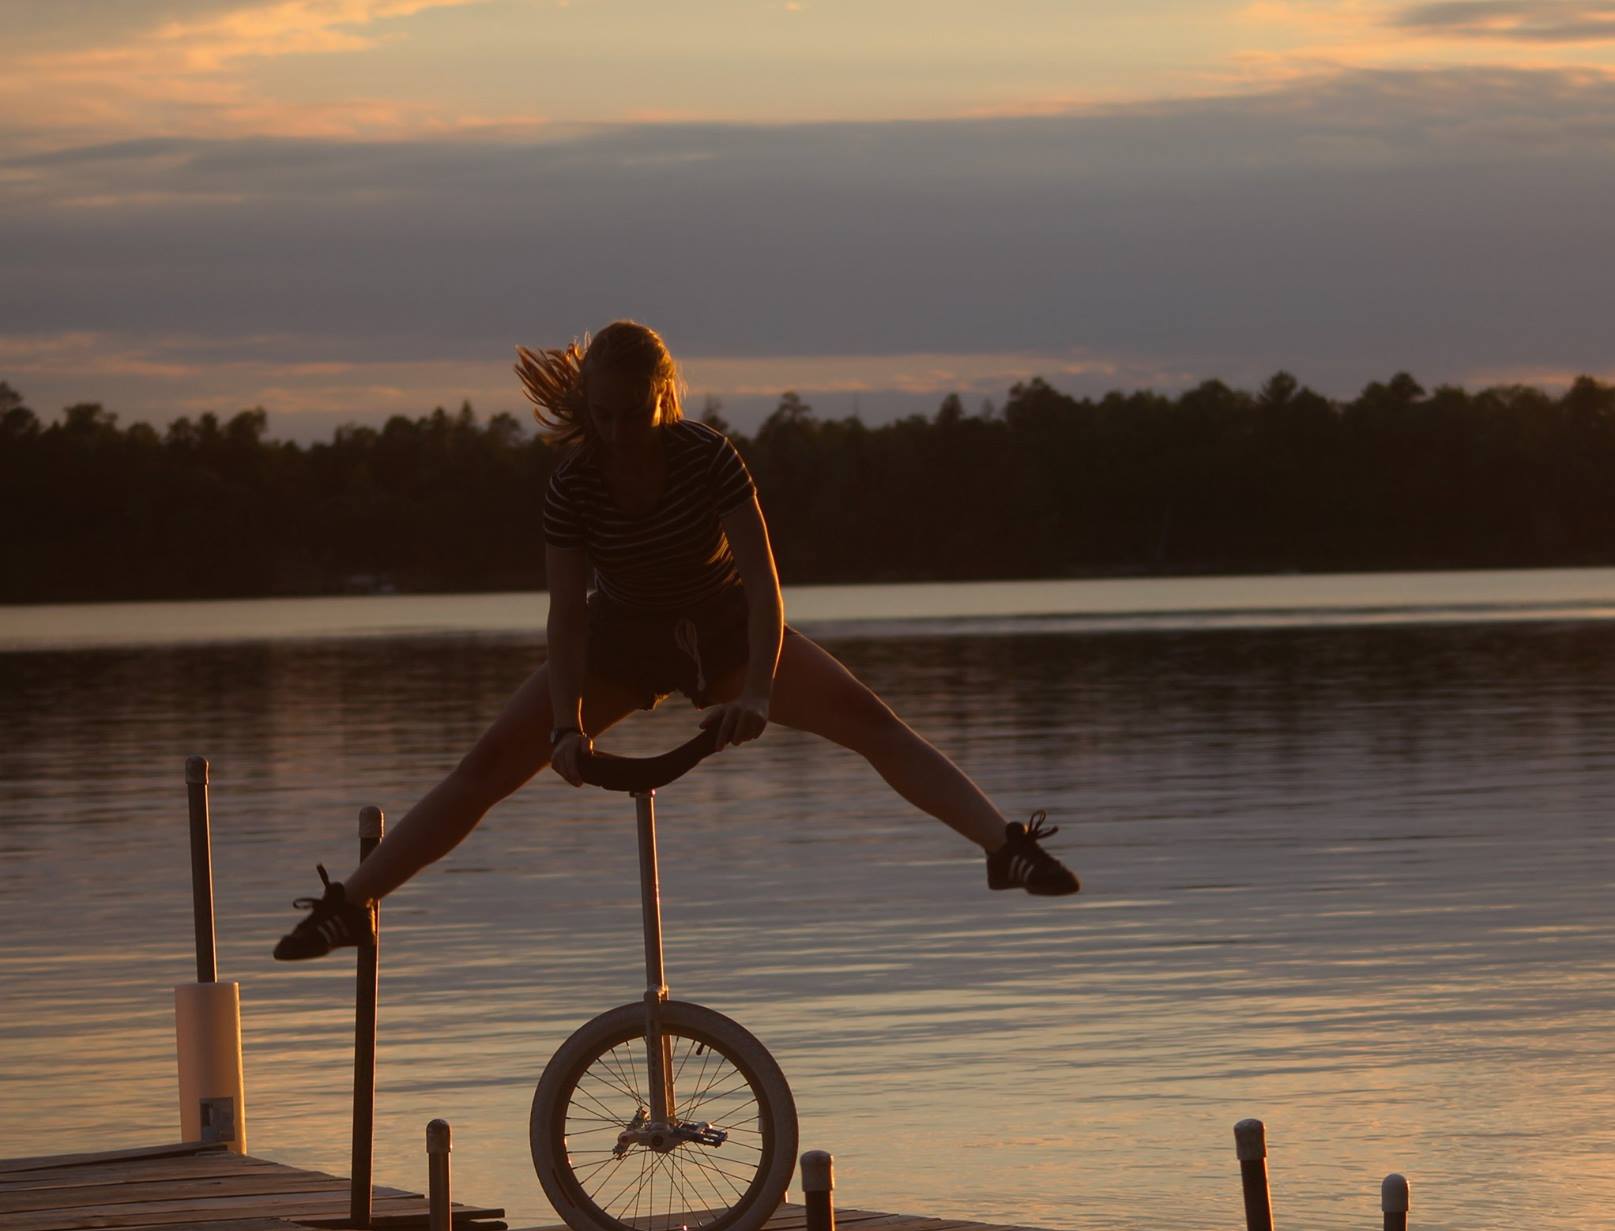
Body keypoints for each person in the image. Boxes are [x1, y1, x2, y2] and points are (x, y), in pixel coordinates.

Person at [274, 320, 1078, 960]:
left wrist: (757, 689)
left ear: (664, 399)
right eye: (604, 415)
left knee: (872, 720)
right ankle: (352, 904)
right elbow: (564, 616)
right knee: (485, 767)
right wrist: (564, 727)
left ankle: (1004, 847)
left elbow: (764, 584)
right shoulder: (574, 482)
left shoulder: (708, 457)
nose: (620, 432)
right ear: (590, 408)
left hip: (728, 628)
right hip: (619, 641)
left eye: (635, 413)